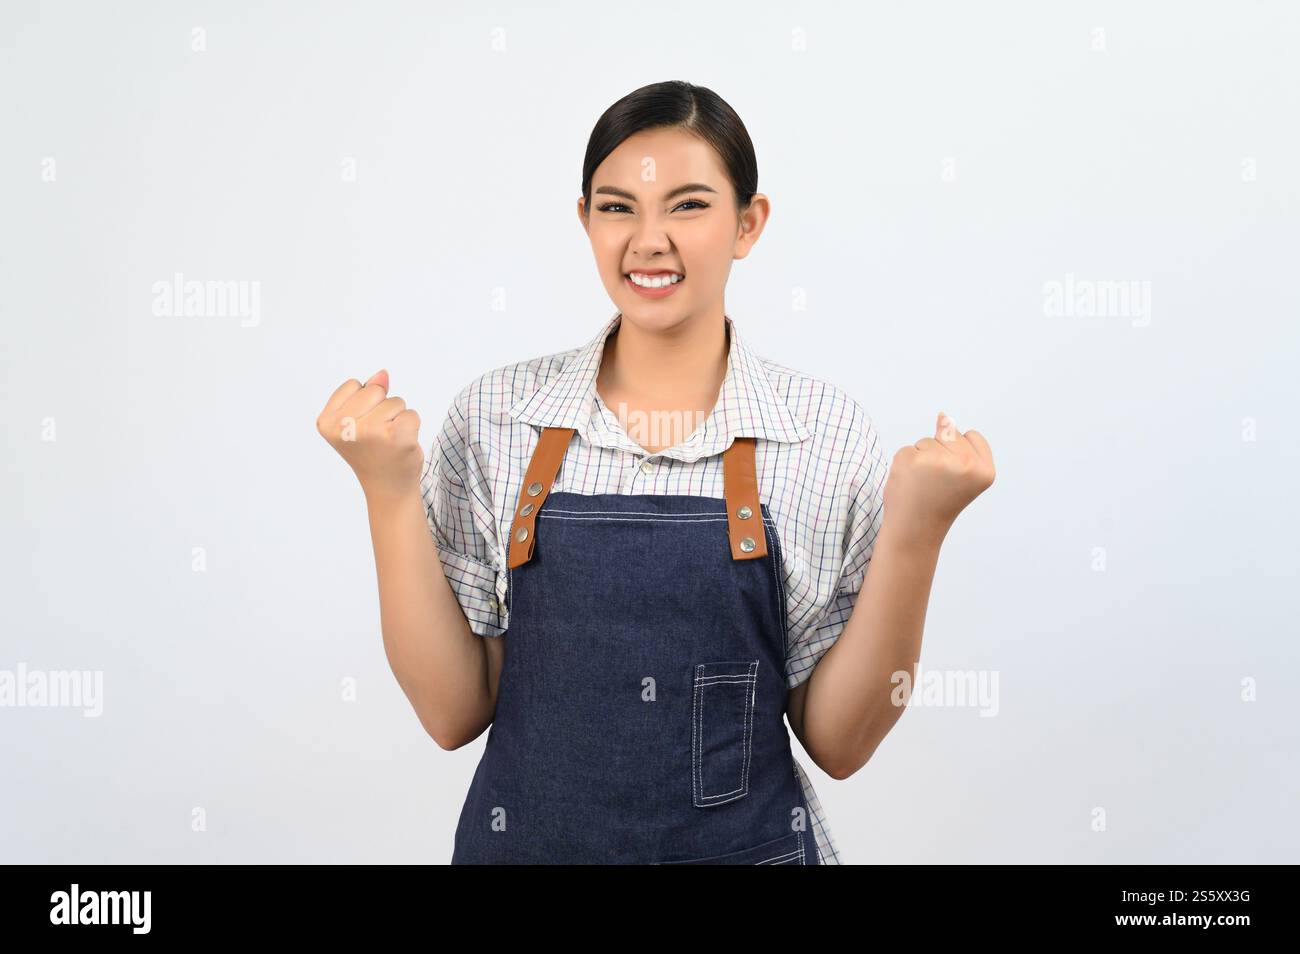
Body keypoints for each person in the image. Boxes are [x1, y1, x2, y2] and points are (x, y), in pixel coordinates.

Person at [316, 80, 996, 864]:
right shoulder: (498, 416)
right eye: (618, 208)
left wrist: (918, 530)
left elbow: (839, 743)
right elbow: (451, 713)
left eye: (688, 205)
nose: (648, 240)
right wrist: (388, 493)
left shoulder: (823, 433)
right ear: (585, 220)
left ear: (748, 223)